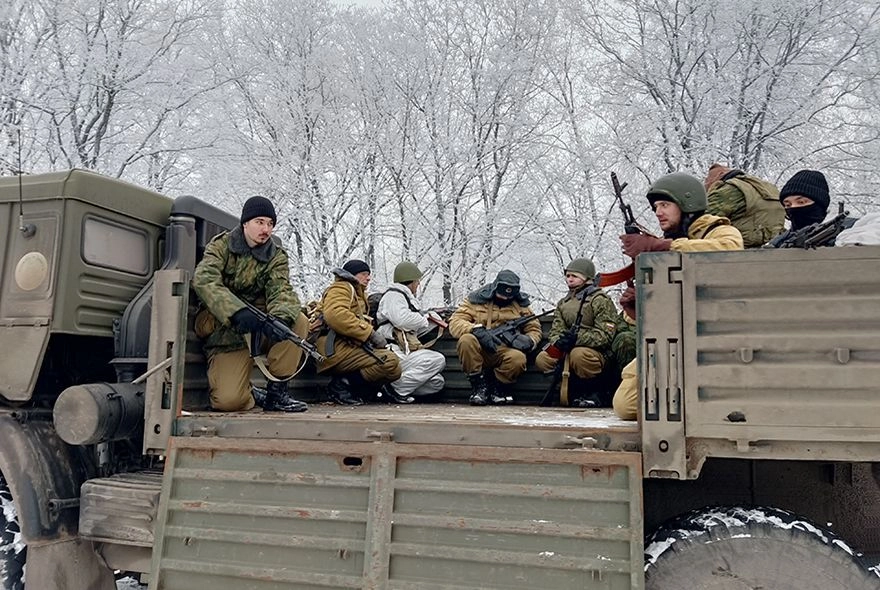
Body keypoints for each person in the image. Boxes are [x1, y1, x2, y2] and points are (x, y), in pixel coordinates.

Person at [613, 172, 745, 420]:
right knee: (626, 405)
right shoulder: (669, 243)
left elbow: (730, 248)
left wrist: (663, 247)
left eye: (665, 205)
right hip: (674, 340)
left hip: (712, 338)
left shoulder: (718, 231)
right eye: (655, 207)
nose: (658, 212)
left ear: (687, 202)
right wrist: (638, 310)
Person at [192, 195, 309, 413]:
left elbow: (281, 290)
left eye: (270, 224)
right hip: (226, 331)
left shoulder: (276, 256)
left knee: (297, 321)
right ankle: (252, 393)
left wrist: (281, 318)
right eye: (260, 222)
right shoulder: (221, 246)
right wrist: (235, 311)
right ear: (245, 223)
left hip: (259, 327)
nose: (266, 229)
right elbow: (204, 280)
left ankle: (277, 393)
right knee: (229, 402)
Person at [314, 259, 402, 405]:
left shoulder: (357, 293)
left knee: (395, 370)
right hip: (334, 349)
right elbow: (335, 315)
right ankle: (340, 386)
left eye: (369, 274)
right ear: (352, 275)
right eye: (364, 274)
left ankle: (359, 392)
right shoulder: (342, 288)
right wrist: (370, 334)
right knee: (389, 361)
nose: (368, 278)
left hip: (348, 347)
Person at [449, 270, 542, 405]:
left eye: (508, 297)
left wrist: (530, 341)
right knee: (466, 340)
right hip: (480, 349)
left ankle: (499, 389)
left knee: (518, 358)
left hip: (504, 349)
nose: (504, 299)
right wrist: (476, 330)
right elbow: (455, 321)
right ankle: (479, 387)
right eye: (501, 295)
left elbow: (533, 328)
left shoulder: (521, 305)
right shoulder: (476, 299)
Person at [534, 258, 619, 407]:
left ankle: (593, 392)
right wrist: (559, 341)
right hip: (569, 348)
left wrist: (577, 339)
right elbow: (556, 330)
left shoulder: (600, 300)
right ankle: (568, 387)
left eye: (574, 276)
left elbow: (605, 335)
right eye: (568, 276)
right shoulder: (563, 303)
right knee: (544, 358)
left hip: (597, 352)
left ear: (587, 278)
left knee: (578, 355)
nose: (570, 279)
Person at [374, 261, 447, 403]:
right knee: (437, 360)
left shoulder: (403, 297)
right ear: (411, 281)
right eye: (417, 281)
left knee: (437, 382)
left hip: (403, 351)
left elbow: (410, 328)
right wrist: (424, 319)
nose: (418, 284)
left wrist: (433, 319)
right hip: (392, 351)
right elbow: (402, 320)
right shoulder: (394, 296)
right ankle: (394, 390)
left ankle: (394, 387)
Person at [766, 169, 856, 247]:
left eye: (801, 202)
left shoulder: (850, 231)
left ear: (819, 204)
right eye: (788, 205)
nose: (793, 208)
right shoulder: (780, 241)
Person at [703, 163, 785, 248]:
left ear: (720, 174)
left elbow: (702, 219)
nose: (706, 184)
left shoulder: (729, 189)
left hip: (739, 248)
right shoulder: (766, 187)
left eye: (707, 179)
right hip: (775, 245)